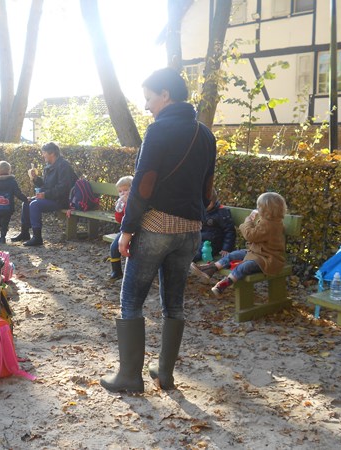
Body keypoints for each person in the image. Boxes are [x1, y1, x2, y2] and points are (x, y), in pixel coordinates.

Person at [100, 67, 217, 393]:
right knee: (174, 303)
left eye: (149, 98)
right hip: (190, 232)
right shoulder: (206, 135)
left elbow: (143, 184)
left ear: (165, 94)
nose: (146, 105)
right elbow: (208, 188)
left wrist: (127, 230)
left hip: (156, 227)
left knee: (131, 300)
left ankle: (129, 376)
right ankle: (165, 374)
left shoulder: (159, 129)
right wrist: (193, 217)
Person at [191, 192, 287, 297]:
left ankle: (223, 285)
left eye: (259, 207)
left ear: (268, 210)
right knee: (233, 255)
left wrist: (248, 221)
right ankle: (210, 269)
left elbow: (250, 235)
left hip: (268, 259)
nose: (257, 209)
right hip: (256, 253)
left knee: (244, 266)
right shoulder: (268, 221)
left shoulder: (270, 225)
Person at [11, 142, 77, 246]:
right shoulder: (49, 166)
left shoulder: (64, 166)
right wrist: (36, 179)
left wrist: (45, 195)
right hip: (51, 197)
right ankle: (25, 233)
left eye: (44, 153)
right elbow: (46, 185)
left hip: (62, 200)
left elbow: (63, 188)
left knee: (35, 205)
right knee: (27, 202)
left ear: (52, 153)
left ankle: (37, 238)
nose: (43, 155)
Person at [0, 161, 29, 243]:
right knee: (5, 223)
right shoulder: (12, 182)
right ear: (9, 170)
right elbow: (18, 193)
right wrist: (26, 199)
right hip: (7, 208)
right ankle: (3, 237)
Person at [192, 188, 236, 262]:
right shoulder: (201, 211)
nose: (205, 205)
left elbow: (229, 231)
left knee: (194, 255)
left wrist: (226, 248)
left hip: (212, 245)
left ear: (214, 201)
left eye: (208, 203)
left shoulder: (222, 213)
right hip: (199, 241)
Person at [108, 176, 133, 281]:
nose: (123, 193)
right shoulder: (122, 203)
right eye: (120, 191)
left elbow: (133, 216)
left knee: (133, 251)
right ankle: (116, 271)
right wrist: (118, 210)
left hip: (137, 230)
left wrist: (128, 204)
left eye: (126, 190)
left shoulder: (136, 202)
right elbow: (119, 220)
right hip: (125, 230)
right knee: (114, 247)